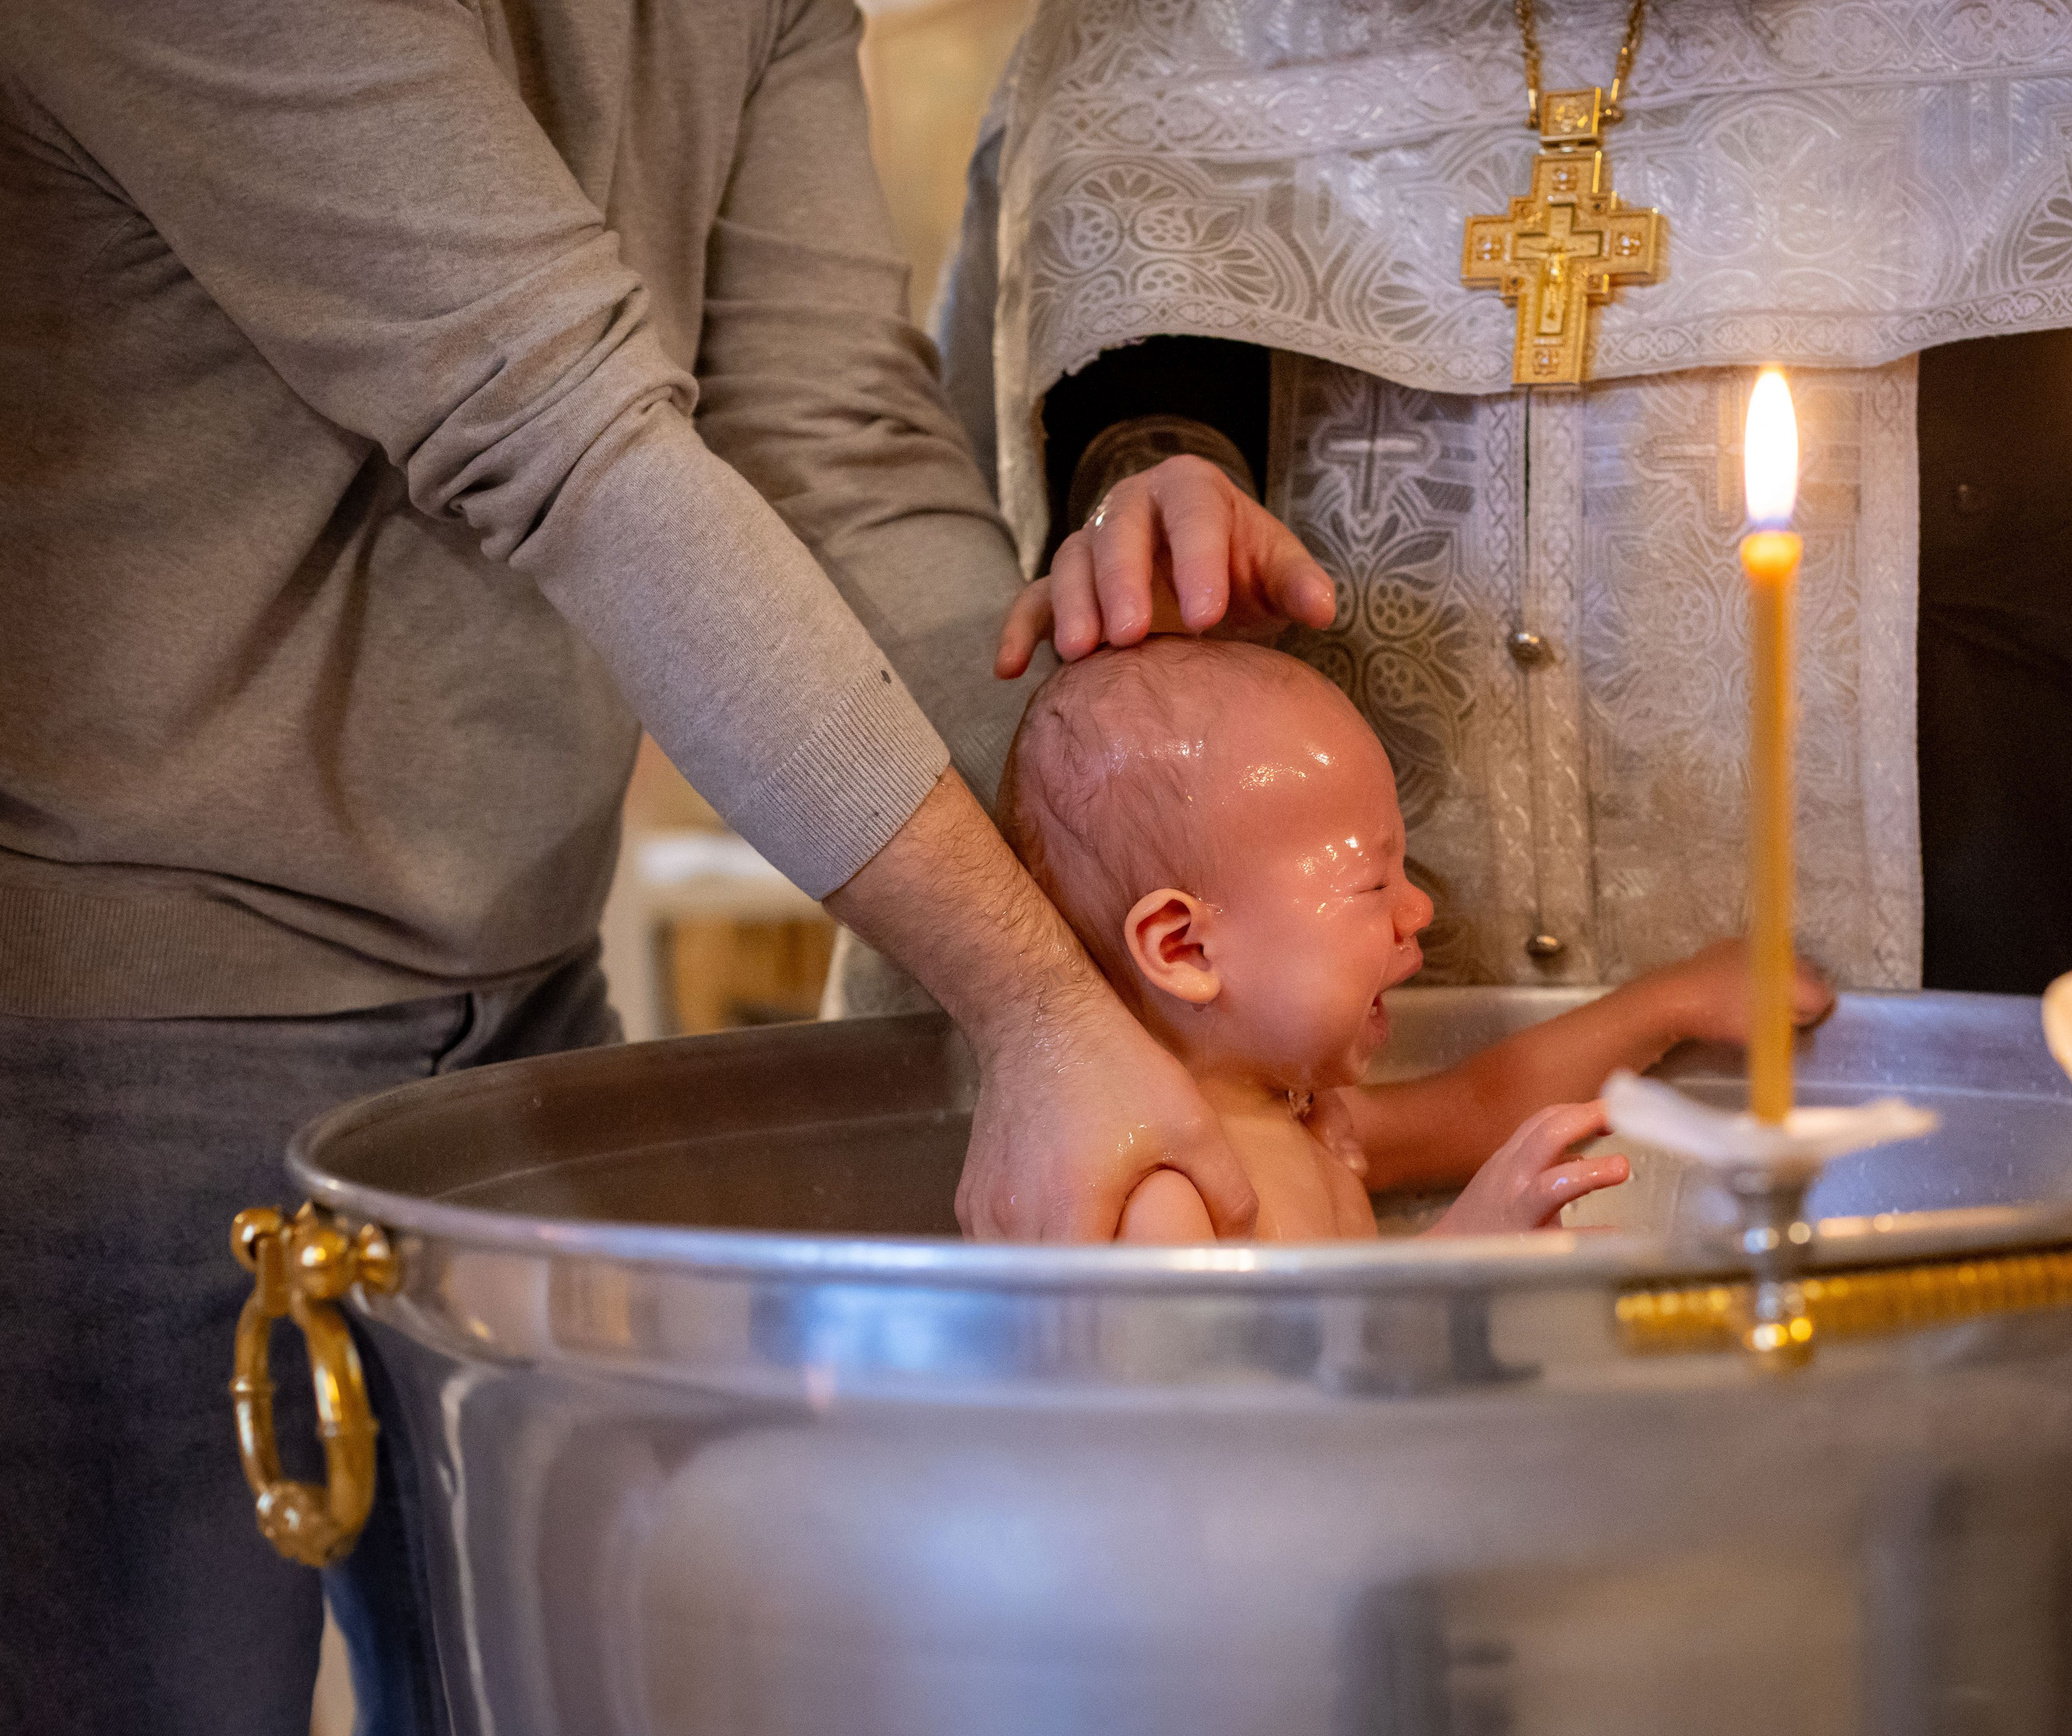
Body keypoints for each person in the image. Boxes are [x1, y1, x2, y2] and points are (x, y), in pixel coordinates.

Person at [932, 6, 2072, 1731]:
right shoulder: (1231, 1150)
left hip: (1965, 869)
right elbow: (1148, 238)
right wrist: (1155, 460)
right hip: (1346, 1501)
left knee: (1968, 1592)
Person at [0, 1, 1267, 1731]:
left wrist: (1133, 863)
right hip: (123, 1018)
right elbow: (564, 438)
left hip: (522, 983)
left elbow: (837, 442)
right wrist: (1038, 997)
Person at [998, 637, 1835, 1240]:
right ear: (1186, 949)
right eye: (1373, 882)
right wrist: (1465, 1254)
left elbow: (1483, 1104)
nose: (1418, 910)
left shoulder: (1300, 1112)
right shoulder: (1163, 1195)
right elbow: (1254, 1429)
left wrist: (1672, 1001)